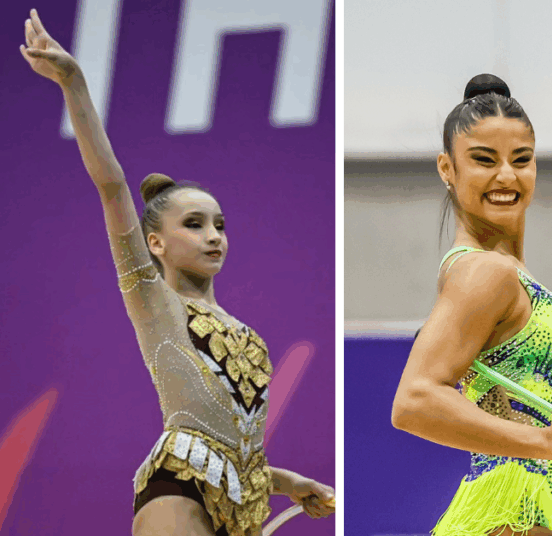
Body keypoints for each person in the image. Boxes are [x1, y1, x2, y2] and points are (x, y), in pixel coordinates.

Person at [20, 9, 333, 536]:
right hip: (176, 488)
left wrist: (292, 481)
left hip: (240, 510)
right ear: (155, 243)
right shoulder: (154, 302)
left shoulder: (246, 335)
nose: (213, 235)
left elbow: (241, 447)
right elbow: (113, 185)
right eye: (194, 224)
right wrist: (74, 84)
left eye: (219, 224)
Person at [391, 73, 552, 536]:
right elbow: (413, 401)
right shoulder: (483, 272)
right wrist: (544, 441)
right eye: (484, 160)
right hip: (499, 514)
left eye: (522, 160)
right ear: (447, 169)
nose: (506, 176)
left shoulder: (512, 275)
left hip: (528, 514)